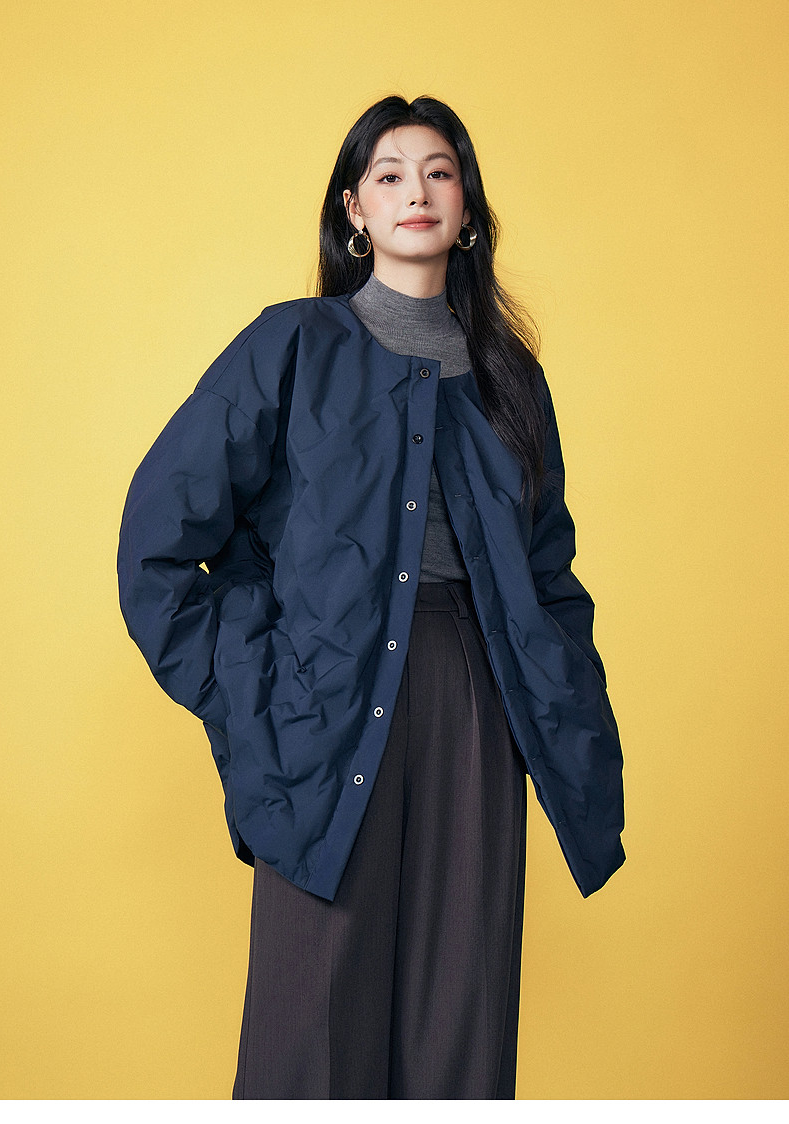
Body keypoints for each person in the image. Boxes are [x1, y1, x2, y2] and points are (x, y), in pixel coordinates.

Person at [117, 94, 625, 1100]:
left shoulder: (509, 377)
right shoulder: (291, 345)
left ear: (466, 208)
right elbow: (157, 542)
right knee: (312, 1029)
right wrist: (254, 689)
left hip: (475, 699)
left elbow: (548, 572)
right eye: (389, 175)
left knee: (458, 1017)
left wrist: (560, 704)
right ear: (354, 209)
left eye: (438, 172)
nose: (415, 192)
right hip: (322, 704)